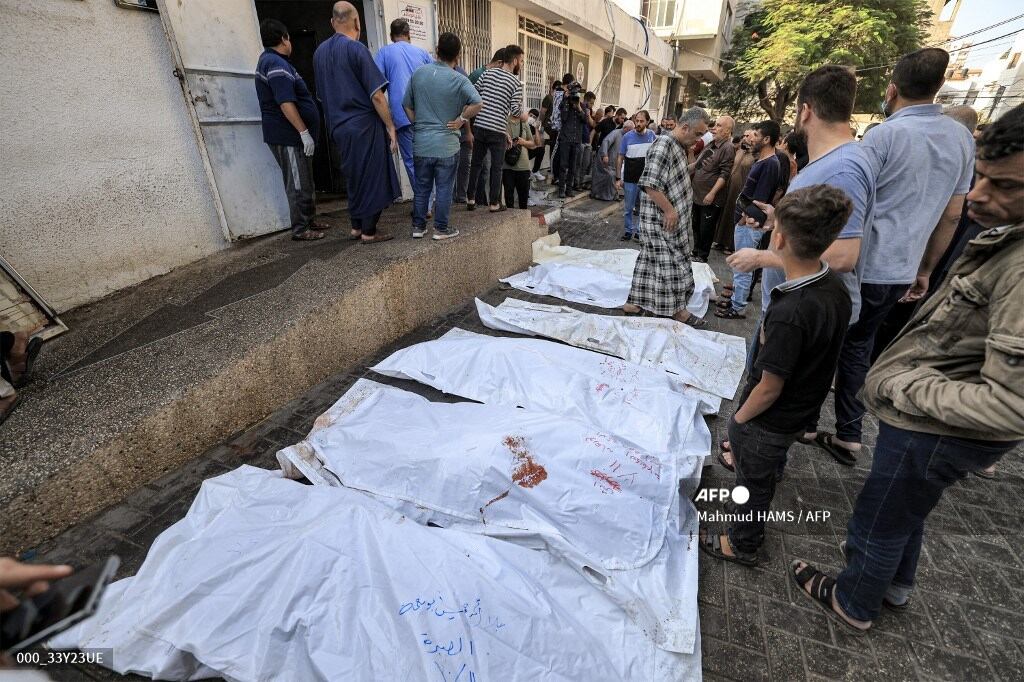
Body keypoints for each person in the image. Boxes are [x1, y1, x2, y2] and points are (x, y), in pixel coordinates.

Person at [789, 105, 1024, 634]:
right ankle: (894, 584)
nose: (978, 196)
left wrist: (904, 387)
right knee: (907, 509)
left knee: (880, 514)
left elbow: (1011, 403)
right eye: (981, 176)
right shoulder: (1007, 237)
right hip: (936, 419)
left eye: (1006, 185)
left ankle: (854, 600)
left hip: (935, 427)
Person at [811, 47, 974, 464]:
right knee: (859, 348)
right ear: (939, 86)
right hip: (902, 269)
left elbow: (850, 205)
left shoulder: (884, 136)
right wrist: (926, 268)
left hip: (862, 265)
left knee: (826, 344)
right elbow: (952, 214)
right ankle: (849, 434)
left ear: (892, 89)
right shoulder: (960, 138)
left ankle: (808, 422)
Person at [720, 65, 876, 469]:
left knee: (768, 383)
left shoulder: (843, 167)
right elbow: (820, 231)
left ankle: (748, 450)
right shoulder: (833, 160)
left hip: (798, 308)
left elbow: (843, 255)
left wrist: (763, 256)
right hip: (793, 299)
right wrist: (779, 221)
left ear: (805, 110)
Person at [700, 185, 853, 566]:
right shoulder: (833, 286)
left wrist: (738, 421)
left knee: (752, 485)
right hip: (800, 410)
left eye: (774, 229)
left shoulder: (791, 313)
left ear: (779, 239)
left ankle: (742, 543)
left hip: (769, 420)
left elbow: (769, 387)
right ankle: (761, 484)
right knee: (764, 470)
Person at [314, 2, 400, 243]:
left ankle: (356, 227)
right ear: (357, 22)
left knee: (353, 176)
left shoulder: (319, 53)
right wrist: (390, 126)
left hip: (338, 127)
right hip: (363, 125)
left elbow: (321, 96)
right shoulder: (356, 49)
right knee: (373, 177)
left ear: (332, 22)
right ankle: (369, 231)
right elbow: (377, 96)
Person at [621, 107, 710, 327]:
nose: (699, 139)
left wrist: (696, 165)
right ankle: (678, 311)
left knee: (648, 263)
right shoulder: (664, 144)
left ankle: (633, 303)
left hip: (668, 222)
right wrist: (670, 211)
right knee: (672, 267)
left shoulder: (677, 146)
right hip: (660, 222)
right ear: (685, 127)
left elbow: (675, 174)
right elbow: (650, 184)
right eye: (698, 134)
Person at [403, 32, 482, 241]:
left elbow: (406, 104)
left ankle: (418, 227)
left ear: (437, 51)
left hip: (422, 143)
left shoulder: (419, 73)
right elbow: (478, 103)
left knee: (422, 187)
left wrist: (418, 123)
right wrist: (461, 119)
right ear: (458, 55)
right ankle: (441, 229)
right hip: (447, 144)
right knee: (445, 187)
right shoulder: (459, 79)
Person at [255, 19, 324, 241]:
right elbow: (285, 102)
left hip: (293, 136)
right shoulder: (275, 63)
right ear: (284, 38)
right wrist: (303, 132)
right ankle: (301, 228)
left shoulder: (277, 62)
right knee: (297, 182)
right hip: (288, 135)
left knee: (306, 179)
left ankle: (310, 220)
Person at [716, 120, 782, 318]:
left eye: (756, 135)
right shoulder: (762, 160)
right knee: (739, 266)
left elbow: (759, 201)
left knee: (742, 268)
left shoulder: (770, 164)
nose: (752, 139)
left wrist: (743, 219)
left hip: (749, 224)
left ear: (767, 139)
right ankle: (736, 300)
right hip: (745, 221)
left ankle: (738, 308)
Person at [467, 45, 524, 212]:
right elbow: (515, 111)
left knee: (476, 163)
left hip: (480, 126)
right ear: (515, 61)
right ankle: (494, 203)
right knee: (496, 167)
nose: (521, 64)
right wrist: (524, 115)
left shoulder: (487, 73)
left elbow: (474, 94)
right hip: (497, 130)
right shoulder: (515, 83)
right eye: (521, 61)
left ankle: (470, 199)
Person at [375, 18, 431, 189]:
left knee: (412, 161)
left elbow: (376, 87)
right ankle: (431, 198)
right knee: (429, 159)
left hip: (402, 117)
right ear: (408, 34)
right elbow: (436, 81)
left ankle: (424, 201)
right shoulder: (423, 53)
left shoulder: (384, 53)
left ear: (391, 36)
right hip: (426, 116)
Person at [690, 115, 735, 262]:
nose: (714, 128)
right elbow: (698, 164)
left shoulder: (727, 148)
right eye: (715, 124)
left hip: (710, 197)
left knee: (706, 228)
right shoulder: (711, 144)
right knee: (696, 225)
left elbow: (725, 174)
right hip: (698, 195)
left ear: (727, 131)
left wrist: (712, 193)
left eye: (719, 125)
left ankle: (702, 255)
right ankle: (696, 251)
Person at [616, 110, 656, 240]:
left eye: (641, 121)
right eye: (636, 121)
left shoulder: (652, 136)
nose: (638, 123)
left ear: (647, 122)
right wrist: (618, 178)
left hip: (645, 179)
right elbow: (620, 157)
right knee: (628, 208)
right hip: (630, 178)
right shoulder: (627, 137)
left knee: (643, 208)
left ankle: (639, 231)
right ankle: (628, 231)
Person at [713, 130, 755, 253]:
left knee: (734, 215)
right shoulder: (739, 150)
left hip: (741, 188)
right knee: (725, 214)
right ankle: (720, 241)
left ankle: (730, 245)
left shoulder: (755, 155)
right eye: (744, 135)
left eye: (748, 136)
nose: (744, 138)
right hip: (730, 187)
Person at [503, 106, 542, 209]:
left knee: (523, 199)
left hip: (523, 167)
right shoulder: (504, 122)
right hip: (507, 165)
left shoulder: (524, 123)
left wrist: (523, 142)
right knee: (509, 198)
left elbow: (533, 144)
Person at [555, 85, 587, 198]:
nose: (575, 96)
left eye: (576, 94)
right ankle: (561, 190)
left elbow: (585, 120)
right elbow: (563, 118)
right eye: (573, 94)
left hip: (576, 140)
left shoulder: (582, 106)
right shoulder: (564, 103)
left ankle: (569, 190)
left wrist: (579, 108)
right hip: (565, 139)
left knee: (573, 167)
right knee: (563, 166)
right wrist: (566, 100)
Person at [591, 110, 628, 201]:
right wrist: (591, 143)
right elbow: (604, 139)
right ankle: (600, 194)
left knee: (615, 174)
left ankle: (612, 195)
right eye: (622, 118)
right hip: (603, 154)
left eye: (624, 119)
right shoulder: (606, 122)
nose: (623, 120)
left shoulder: (621, 128)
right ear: (617, 115)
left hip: (612, 158)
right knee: (610, 175)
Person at [539, 80, 562, 180]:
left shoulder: (557, 99)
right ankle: (552, 169)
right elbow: (542, 112)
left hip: (554, 126)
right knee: (552, 144)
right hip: (548, 125)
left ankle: (552, 167)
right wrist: (541, 125)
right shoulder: (548, 98)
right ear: (555, 88)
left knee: (554, 145)